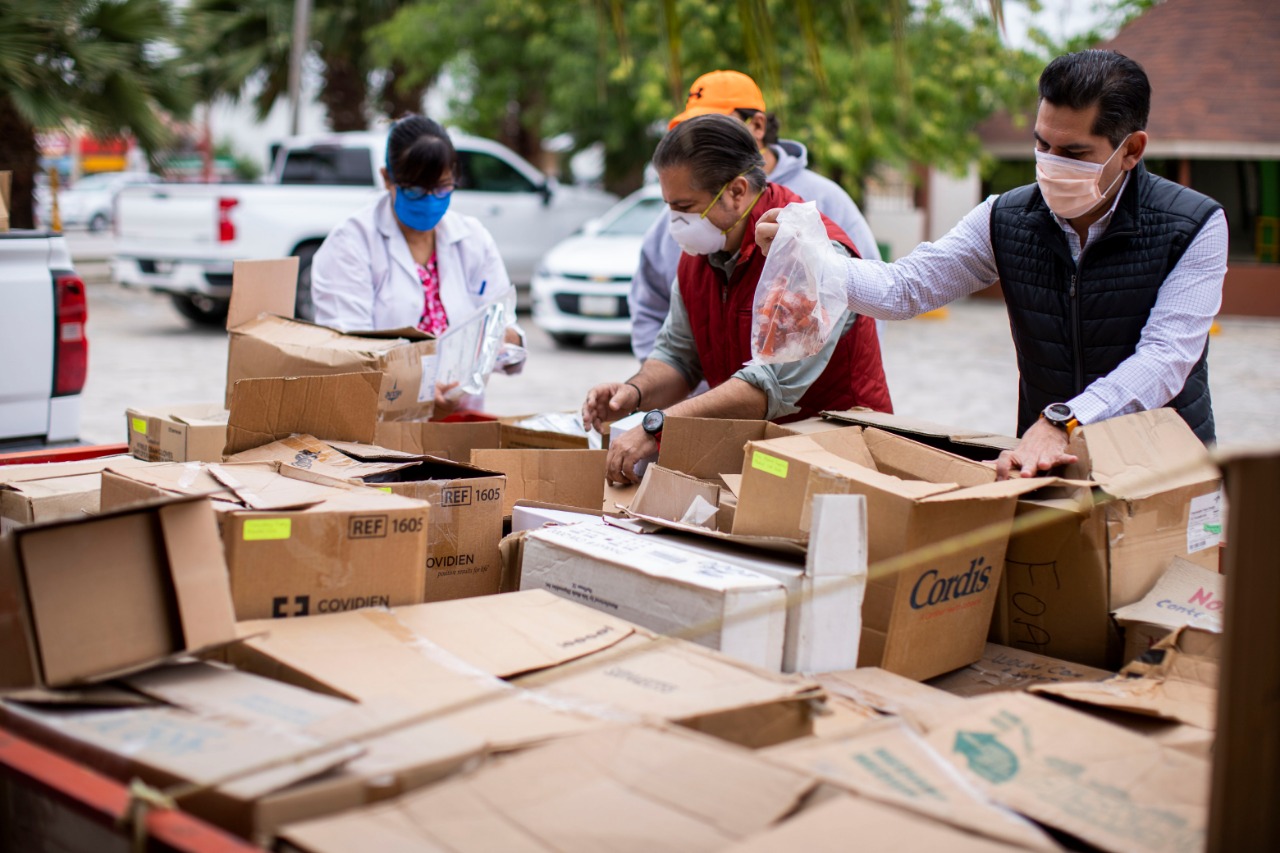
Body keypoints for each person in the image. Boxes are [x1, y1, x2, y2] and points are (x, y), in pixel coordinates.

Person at [756, 50, 1227, 479]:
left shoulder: (1193, 225)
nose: (1050, 165)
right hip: (1049, 463)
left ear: (1131, 150)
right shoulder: (1008, 218)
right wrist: (809, 257)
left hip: (1164, 467)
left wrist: (1062, 418)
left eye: (1074, 153)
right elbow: (906, 288)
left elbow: (1165, 359)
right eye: (1042, 145)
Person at [584, 114, 892, 484]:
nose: (674, 223)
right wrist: (633, 393)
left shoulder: (808, 254)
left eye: (684, 207)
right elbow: (678, 355)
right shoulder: (701, 252)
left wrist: (657, 427)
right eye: (669, 207)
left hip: (842, 461)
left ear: (736, 191)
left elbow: (767, 387)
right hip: (765, 458)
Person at [629, 69, 881, 361]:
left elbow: (868, 301)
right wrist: (670, 393)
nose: (696, 140)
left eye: (712, 125)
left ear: (757, 125)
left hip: (795, 394)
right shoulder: (684, 210)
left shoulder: (825, 199)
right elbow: (651, 307)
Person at [311, 114, 524, 417]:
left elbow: (505, 325)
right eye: (415, 190)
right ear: (387, 179)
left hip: (458, 421)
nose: (430, 200)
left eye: (441, 188)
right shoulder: (351, 244)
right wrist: (415, 387)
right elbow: (348, 351)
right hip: (380, 426)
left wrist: (504, 340)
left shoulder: (472, 238)